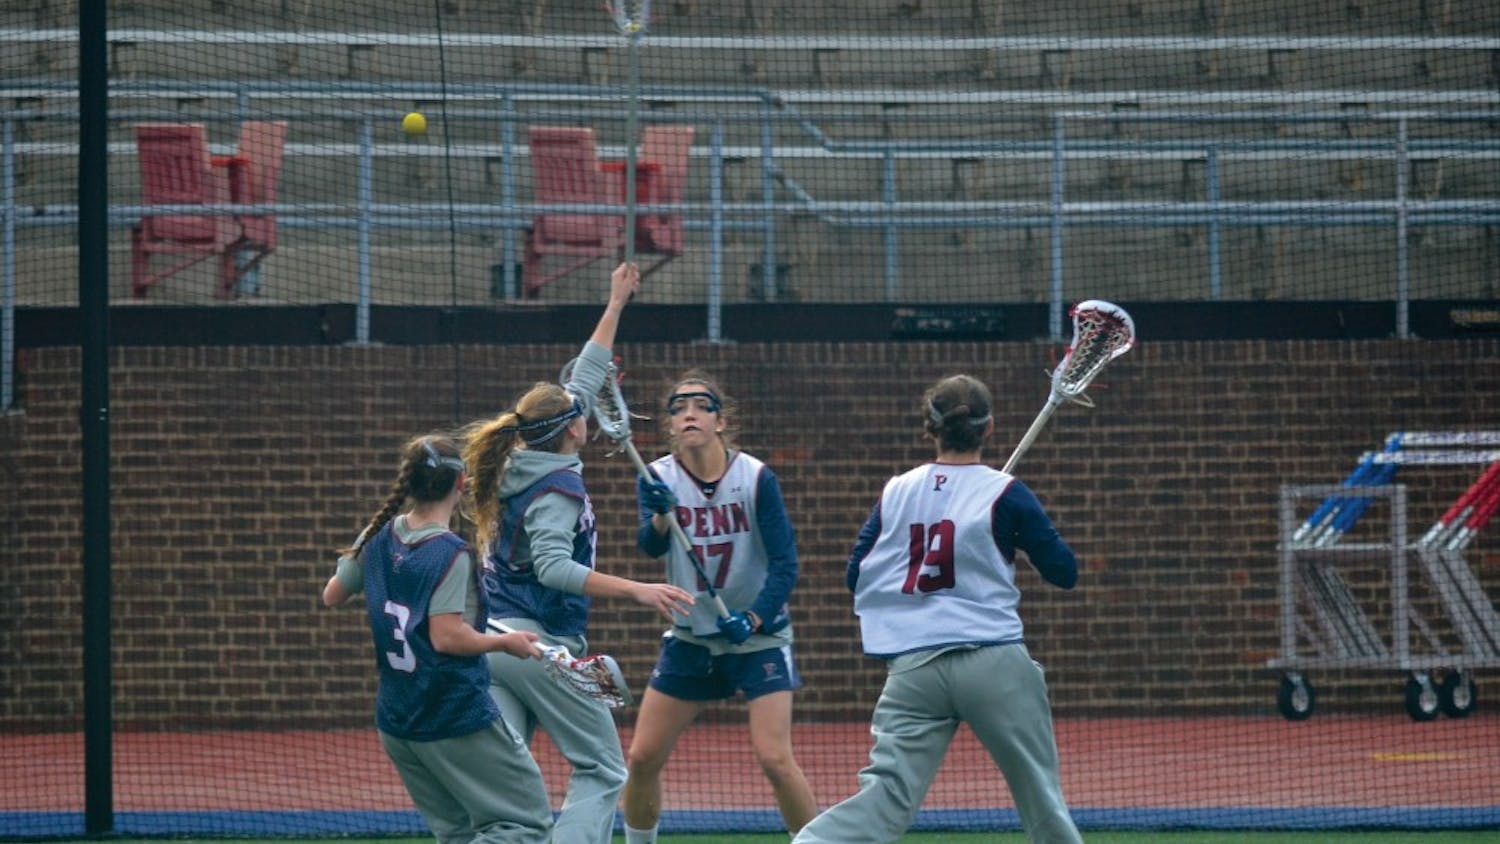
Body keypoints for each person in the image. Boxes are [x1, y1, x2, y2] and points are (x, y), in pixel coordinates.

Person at [792, 374, 1084, 844]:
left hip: (914, 668)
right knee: (1040, 797)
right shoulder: (1006, 493)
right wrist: (1012, 540)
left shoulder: (897, 491)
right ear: (989, 429)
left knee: (886, 797)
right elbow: (1064, 571)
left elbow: (856, 574)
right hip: (992, 660)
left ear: (930, 429)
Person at [461, 261, 695, 844]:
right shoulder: (556, 490)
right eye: (581, 413)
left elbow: (585, 377)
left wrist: (616, 303)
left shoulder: (514, 461)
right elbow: (555, 569)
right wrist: (638, 589)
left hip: (491, 644)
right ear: (573, 431)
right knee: (603, 767)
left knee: (510, 787)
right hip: (538, 645)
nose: (588, 410)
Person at [321, 433, 554, 844]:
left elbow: (333, 593)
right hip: (453, 713)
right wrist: (506, 642)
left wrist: (365, 546)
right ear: (461, 483)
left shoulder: (378, 535)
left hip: (398, 722)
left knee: (458, 833)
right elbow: (447, 638)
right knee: (525, 826)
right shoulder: (450, 552)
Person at [620, 370, 819, 844]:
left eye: (701, 405)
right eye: (677, 407)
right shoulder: (656, 478)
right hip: (692, 637)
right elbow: (649, 547)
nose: (689, 412)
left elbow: (786, 565)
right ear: (669, 426)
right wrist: (659, 517)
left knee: (773, 757)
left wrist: (754, 618)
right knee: (642, 757)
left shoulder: (755, 478)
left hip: (758, 638)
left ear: (720, 420)